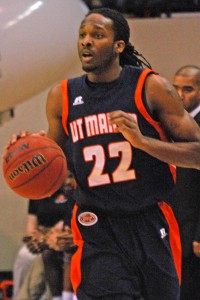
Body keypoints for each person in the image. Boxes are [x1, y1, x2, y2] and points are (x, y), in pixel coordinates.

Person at [7, 7, 200, 300]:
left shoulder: (150, 87)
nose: (86, 41)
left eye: (97, 35)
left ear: (118, 46)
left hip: (150, 220)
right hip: (95, 225)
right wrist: (30, 150)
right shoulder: (63, 96)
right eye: (82, 35)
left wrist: (144, 142)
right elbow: (55, 163)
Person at [13, 174, 75, 300]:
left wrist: (47, 238)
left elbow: (63, 228)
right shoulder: (38, 192)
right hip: (43, 238)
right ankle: (18, 295)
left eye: (71, 177)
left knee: (46, 256)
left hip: (58, 240)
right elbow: (31, 228)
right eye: (66, 177)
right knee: (24, 255)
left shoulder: (74, 196)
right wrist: (37, 238)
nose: (68, 181)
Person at [171, 65, 200, 300]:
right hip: (173, 227)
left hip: (194, 232)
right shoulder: (172, 123)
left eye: (187, 89)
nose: (180, 95)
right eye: (176, 88)